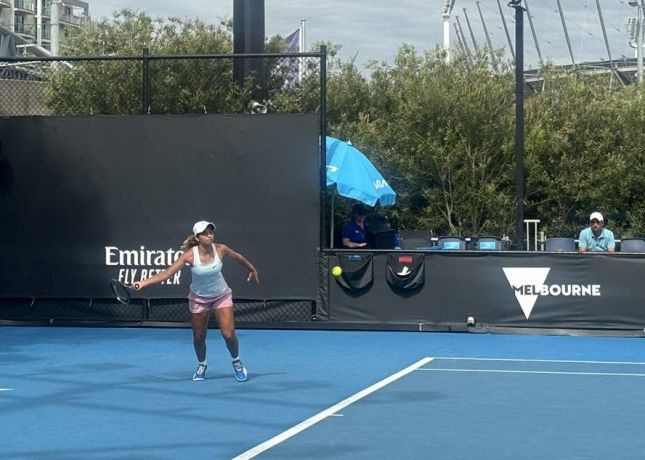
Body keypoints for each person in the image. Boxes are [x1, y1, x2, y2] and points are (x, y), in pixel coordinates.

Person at [134, 220, 259, 382]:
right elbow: (166, 274)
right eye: (205, 234)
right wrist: (143, 283)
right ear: (197, 237)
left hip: (221, 296)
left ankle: (237, 362)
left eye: (211, 233)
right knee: (199, 337)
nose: (209, 236)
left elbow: (238, 257)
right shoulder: (189, 256)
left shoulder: (220, 249)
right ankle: (202, 364)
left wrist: (251, 268)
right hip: (199, 299)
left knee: (228, 334)